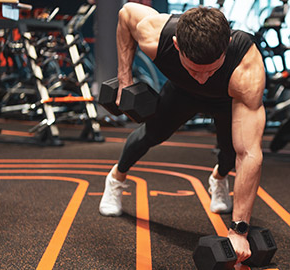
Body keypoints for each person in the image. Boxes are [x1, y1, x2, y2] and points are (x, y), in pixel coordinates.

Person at [98, 2, 265, 263]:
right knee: (150, 134)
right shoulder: (156, 35)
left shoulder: (246, 70)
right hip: (181, 92)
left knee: (232, 153)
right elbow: (125, 14)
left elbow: (250, 153)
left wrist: (239, 230)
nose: (202, 78)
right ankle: (116, 179)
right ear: (176, 45)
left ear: (227, 44)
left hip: (226, 97)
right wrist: (124, 79)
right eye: (194, 69)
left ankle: (219, 178)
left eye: (210, 69)